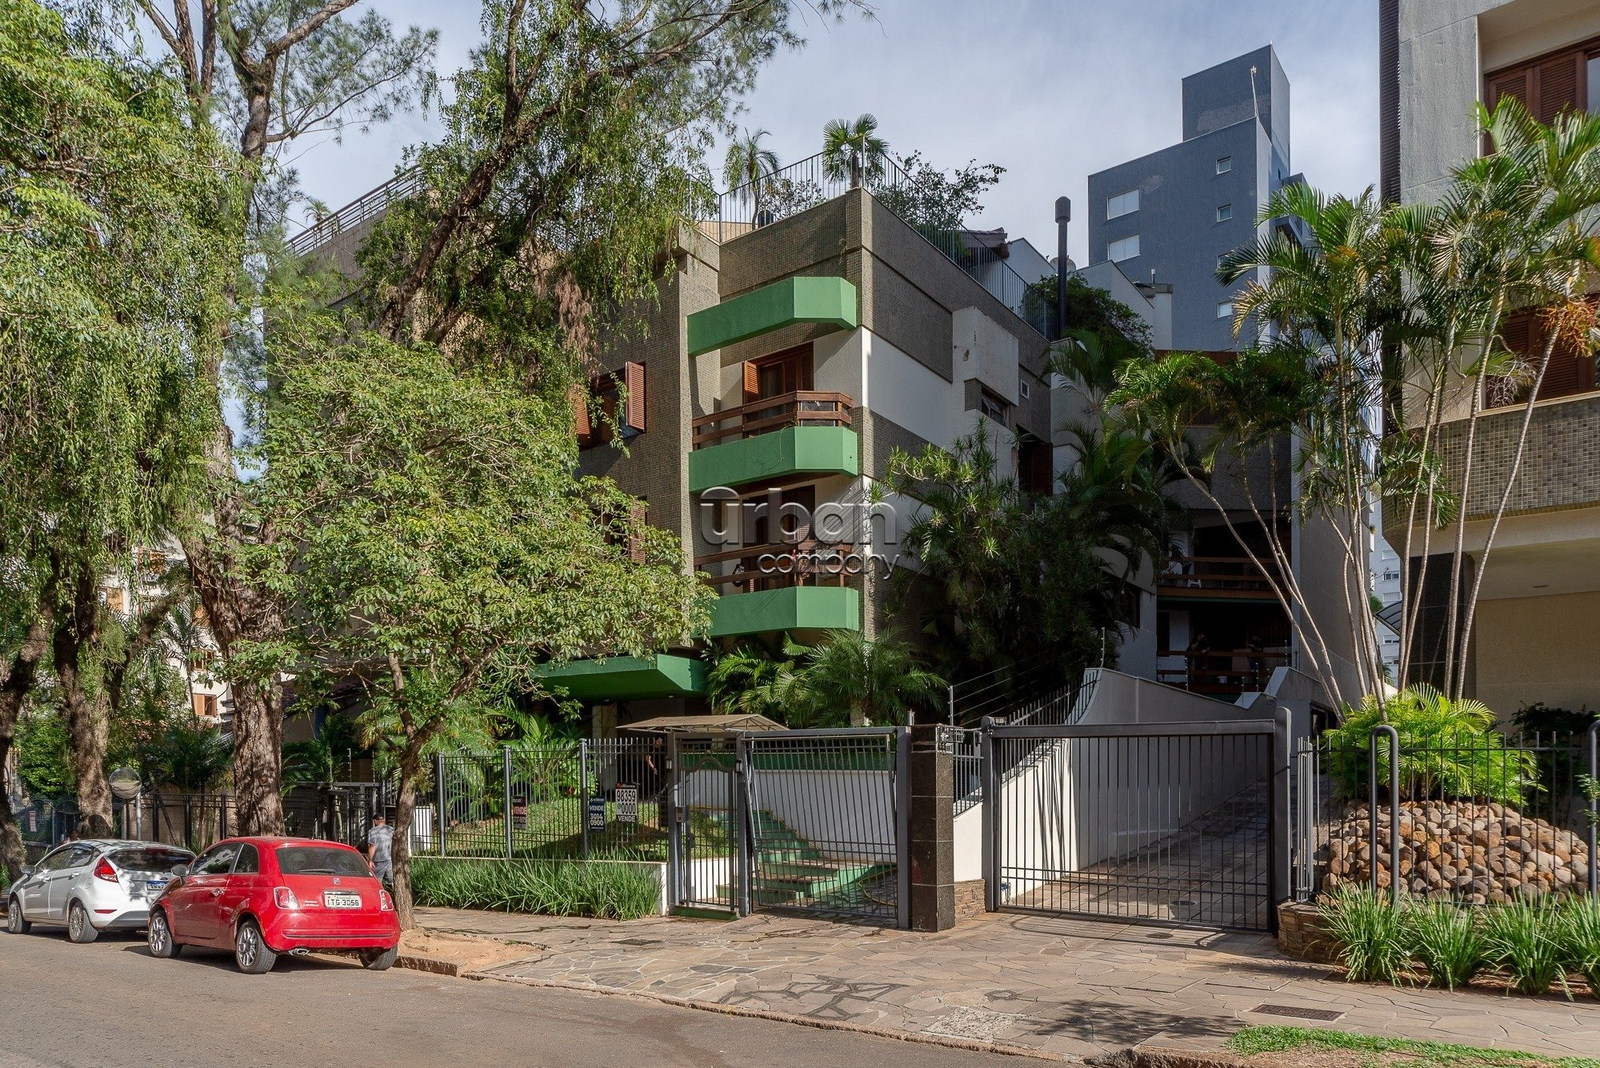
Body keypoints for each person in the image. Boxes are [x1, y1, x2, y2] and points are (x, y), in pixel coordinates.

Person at [366, 812, 394, 886]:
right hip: (389, 860)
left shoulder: (373, 831)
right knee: (392, 882)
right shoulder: (391, 830)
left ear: (375, 821)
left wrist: (370, 860)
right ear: (384, 820)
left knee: (377, 882)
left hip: (378, 861)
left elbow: (372, 846)